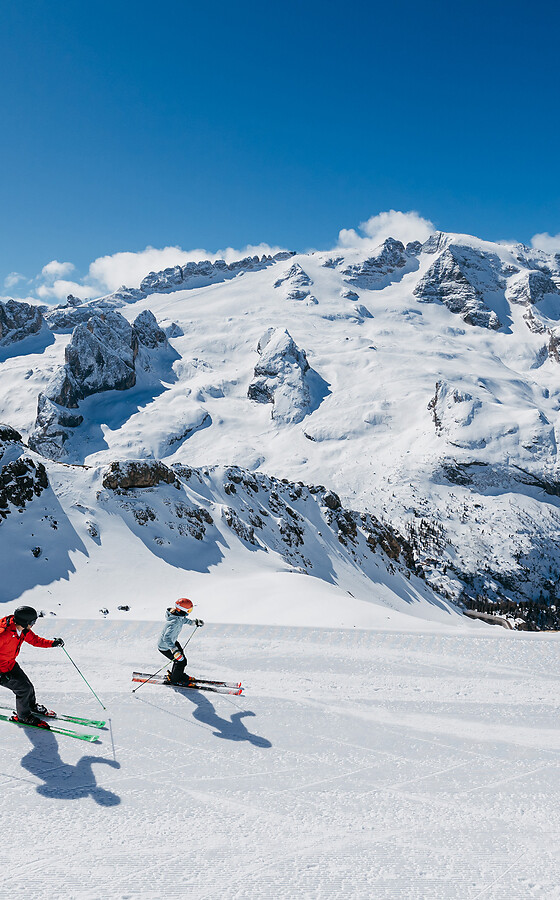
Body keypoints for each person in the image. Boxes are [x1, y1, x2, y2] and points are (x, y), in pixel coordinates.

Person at [0, 606, 64, 728]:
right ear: (25, 622)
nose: (34, 624)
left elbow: (35, 640)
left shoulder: (22, 630)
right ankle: (23, 717)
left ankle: (30, 706)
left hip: (10, 664)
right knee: (23, 689)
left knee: (28, 686)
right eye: (33, 622)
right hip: (1, 671)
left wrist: (53, 643)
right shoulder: (3, 634)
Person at [157, 598, 204, 685]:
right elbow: (166, 638)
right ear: (182, 610)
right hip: (165, 647)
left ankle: (178, 675)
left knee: (182, 660)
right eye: (189, 610)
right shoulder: (173, 622)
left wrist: (195, 622)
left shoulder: (179, 617)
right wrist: (174, 650)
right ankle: (175, 680)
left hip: (173, 642)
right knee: (180, 661)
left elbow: (185, 620)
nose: (189, 612)